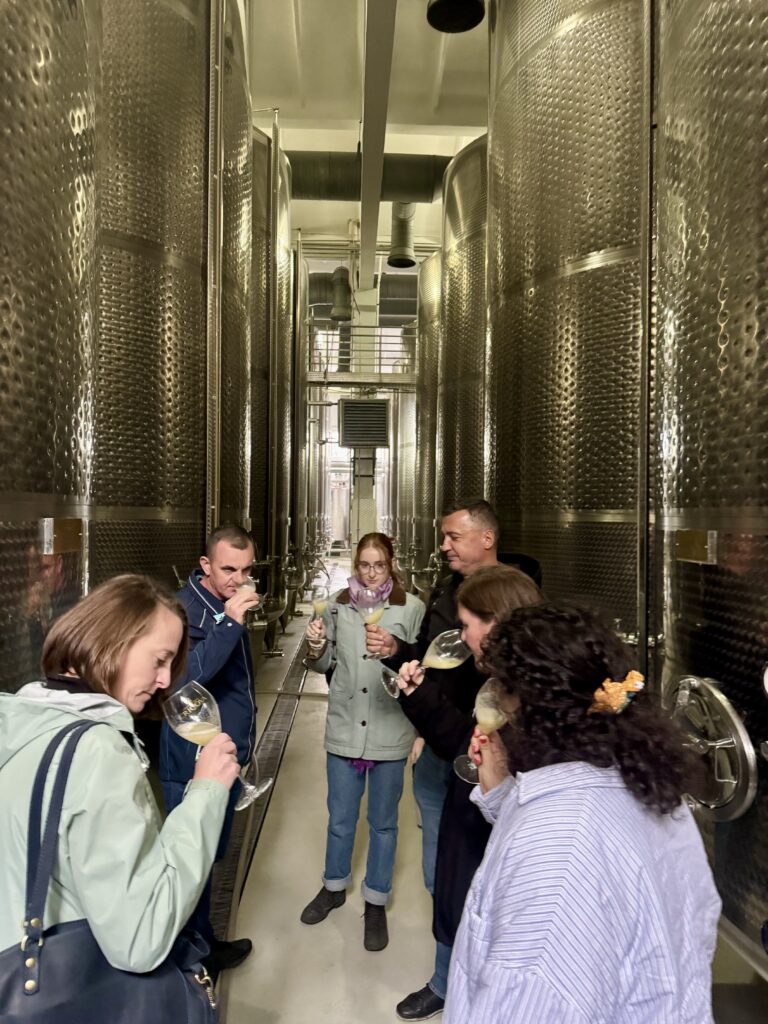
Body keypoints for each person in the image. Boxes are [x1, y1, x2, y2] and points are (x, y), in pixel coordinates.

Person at [444, 603, 722, 1024]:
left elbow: (532, 995)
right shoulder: (646, 782)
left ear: (528, 708)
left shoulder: (556, 863)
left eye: (502, 689)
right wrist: (502, 792)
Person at [0, 574, 239, 973]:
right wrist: (206, 792)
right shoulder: (97, 753)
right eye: (159, 659)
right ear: (114, 640)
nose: (166, 680)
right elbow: (141, 938)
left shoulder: (21, 717)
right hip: (71, 985)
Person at [393, 565, 542, 1021]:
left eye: (465, 626)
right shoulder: (500, 684)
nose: (460, 636)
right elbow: (464, 742)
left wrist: (493, 780)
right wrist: (418, 697)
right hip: (471, 825)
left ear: (495, 624)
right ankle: (449, 983)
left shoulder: (539, 702)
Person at [365, 498, 501, 926]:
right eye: (444, 537)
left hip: (480, 752)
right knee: (438, 869)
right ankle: (445, 973)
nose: (443, 545)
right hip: (435, 742)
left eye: (453, 537)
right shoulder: (446, 587)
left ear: (487, 538)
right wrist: (397, 651)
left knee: (475, 870)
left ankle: (462, 979)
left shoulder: (512, 598)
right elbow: (430, 654)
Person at [301, 532, 425, 952]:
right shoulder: (339, 605)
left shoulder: (411, 608)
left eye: (379, 565)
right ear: (356, 565)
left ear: (391, 565)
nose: (371, 573)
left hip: (390, 730)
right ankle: (334, 887)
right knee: (339, 817)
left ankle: (375, 899)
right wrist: (315, 645)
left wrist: (422, 727)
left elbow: (423, 667)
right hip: (344, 727)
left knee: (384, 822)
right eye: (364, 565)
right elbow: (325, 663)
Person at [159, 524, 261, 975]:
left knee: (211, 855)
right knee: (188, 859)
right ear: (205, 566)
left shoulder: (225, 604)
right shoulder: (181, 611)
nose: (239, 579)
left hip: (222, 759)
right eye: (228, 569)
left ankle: (203, 943)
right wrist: (231, 622)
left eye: (246, 570)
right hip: (189, 764)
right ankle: (186, 960)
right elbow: (183, 682)